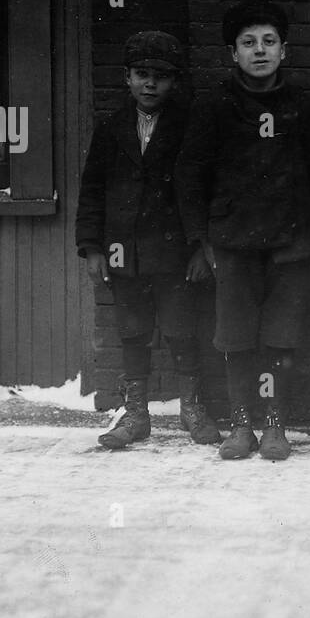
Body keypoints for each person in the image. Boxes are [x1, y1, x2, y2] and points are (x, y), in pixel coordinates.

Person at [175, 0, 310, 461]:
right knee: (237, 335)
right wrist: (200, 241)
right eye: (248, 43)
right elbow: (189, 175)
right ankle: (241, 423)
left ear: (284, 50)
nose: (259, 51)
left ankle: (275, 423)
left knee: (281, 336)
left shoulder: (302, 106)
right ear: (233, 53)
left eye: (269, 42)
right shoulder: (215, 106)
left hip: (290, 243)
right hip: (234, 245)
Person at [75, 30, 218, 449]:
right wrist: (92, 247)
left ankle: (193, 409)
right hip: (124, 254)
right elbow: (93, 190)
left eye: (160, 76)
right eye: (141, 74)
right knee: (133, 331)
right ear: (127, 78)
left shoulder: (189, 125)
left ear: (174, 82)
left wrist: (199, 248)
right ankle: (136, 415)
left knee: (181, 329)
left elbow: (202, 190)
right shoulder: (111, 127)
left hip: (175, 253)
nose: (150, 84)